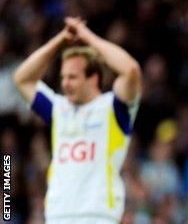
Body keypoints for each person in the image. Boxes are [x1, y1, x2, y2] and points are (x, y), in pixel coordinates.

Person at [13, 17, 142, 223]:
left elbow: (131, 70)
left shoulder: (114, 107)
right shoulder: (58, 108)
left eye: (72, 77)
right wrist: (60, 40)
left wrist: (86, 36)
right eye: (63, 77)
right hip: (57, 214)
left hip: (98, 216)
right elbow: (22, 78)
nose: (65, 83)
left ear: (93, 78)